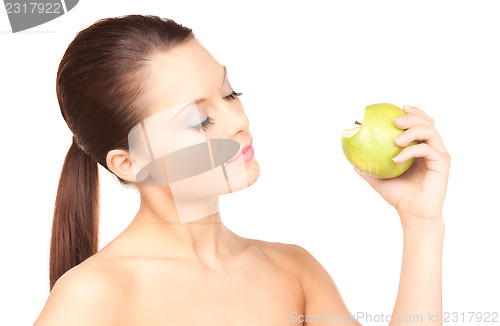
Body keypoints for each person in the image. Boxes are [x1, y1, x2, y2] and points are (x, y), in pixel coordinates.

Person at [34, 14, 451, 326]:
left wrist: (421, 223)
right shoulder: (93, 296)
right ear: (130, 163)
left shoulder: (293, 269)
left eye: (230, 93)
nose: (238, 121)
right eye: (199, 121)